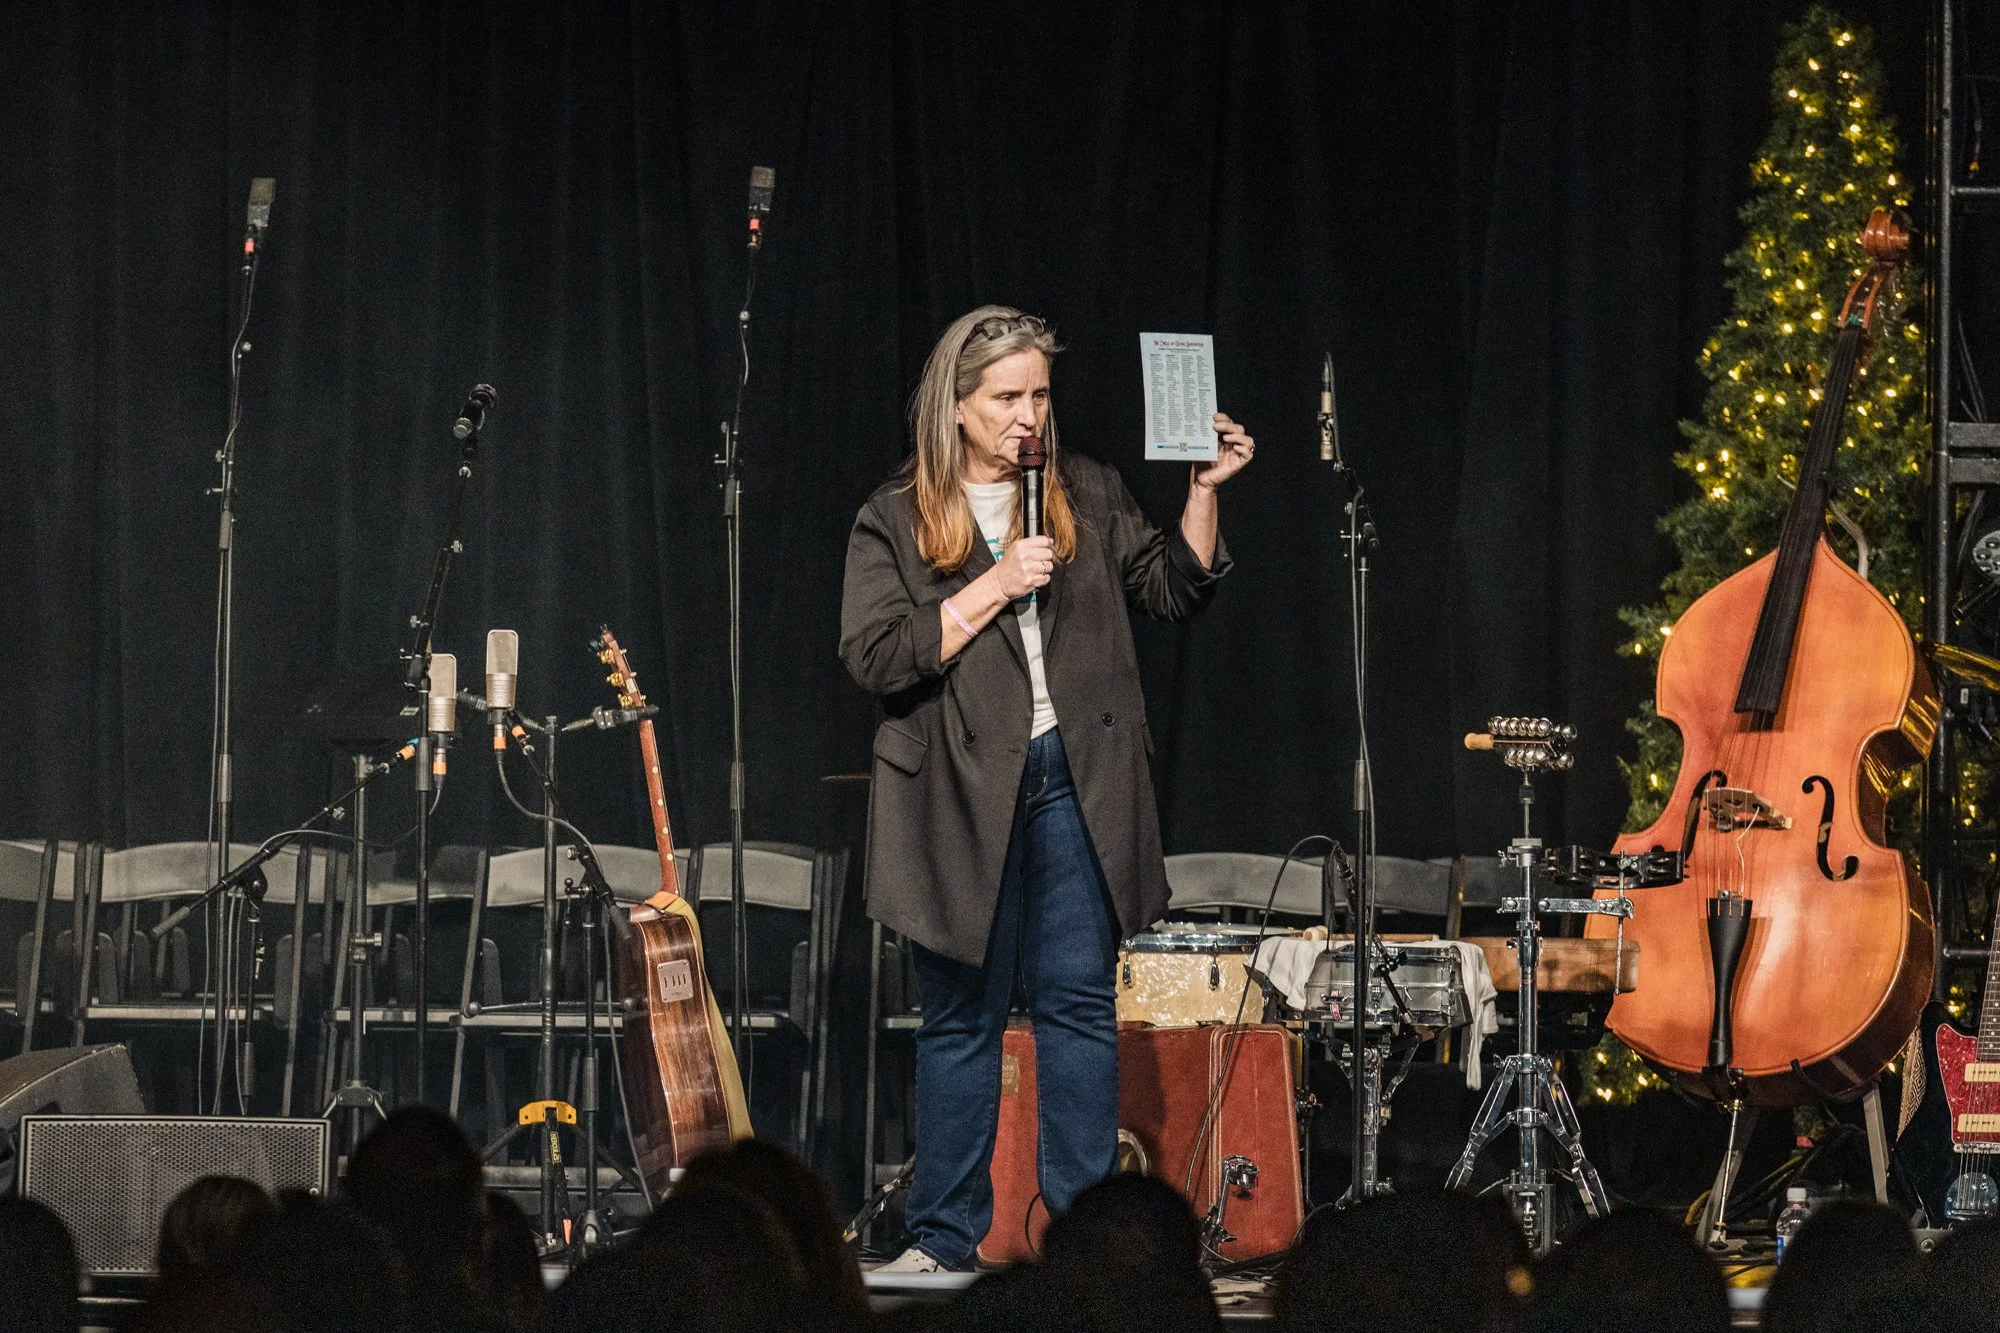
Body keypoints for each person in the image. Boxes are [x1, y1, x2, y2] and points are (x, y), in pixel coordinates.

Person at [840, 304, 1254, 1273]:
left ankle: (1086, 1246)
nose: (1028, 416)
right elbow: (875, 654)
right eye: (1006, 398)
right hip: (958, 788)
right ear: (956, 405)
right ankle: (943, 1238)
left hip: (1072, 776)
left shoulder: (1084, 491)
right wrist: (992, 583)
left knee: (1076, 1008)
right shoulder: (895, 514)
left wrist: (1202, 492)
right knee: (962, 1015)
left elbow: (1172, 587)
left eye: (1038, 395)